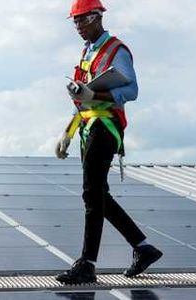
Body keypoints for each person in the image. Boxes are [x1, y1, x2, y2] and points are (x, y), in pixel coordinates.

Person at [54, 0, 163, 284]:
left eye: (82, 20)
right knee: (99, 194)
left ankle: (87, 264)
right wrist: (67, 131)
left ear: (97, 16)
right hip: (89, 127)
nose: (78, 26)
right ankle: (143, 248)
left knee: (91, 193)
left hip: (106, 127)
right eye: (75, 21)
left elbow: (133, 90)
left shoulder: (116, 50)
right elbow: (82, 98)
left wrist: (95, 97)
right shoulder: (87, 53)